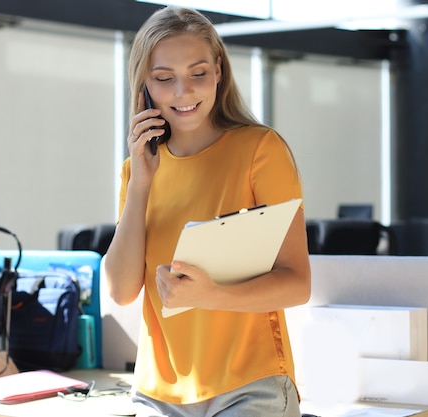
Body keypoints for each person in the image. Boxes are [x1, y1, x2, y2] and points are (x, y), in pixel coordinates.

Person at [104, 6, 311, 417]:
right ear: (144, 85)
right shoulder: (136, 170)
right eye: (164, 79)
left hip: (250, 386)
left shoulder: (260, 151)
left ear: (219, 71)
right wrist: (142, 182)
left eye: (198, 74)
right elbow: (121, 290)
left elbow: (297, 284)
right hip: (158, 394)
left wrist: (211, 294)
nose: (183, 92)